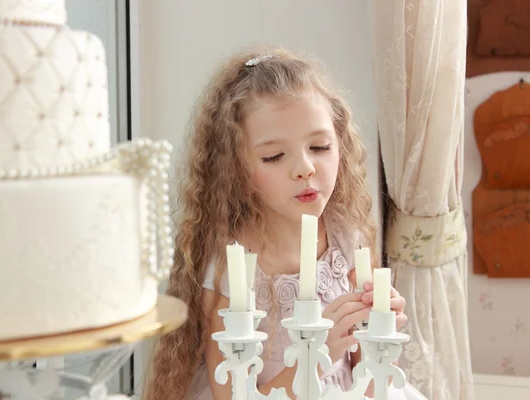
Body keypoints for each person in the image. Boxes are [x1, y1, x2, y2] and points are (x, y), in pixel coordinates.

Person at [144, 45, 426, 400]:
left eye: (320, 147)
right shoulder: (230, 265)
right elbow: (233, 394)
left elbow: (366, 375)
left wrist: (378, 333)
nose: (304, 168)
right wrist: (317, 355)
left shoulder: (347, 238)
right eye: (274, 156)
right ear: (238, 171)